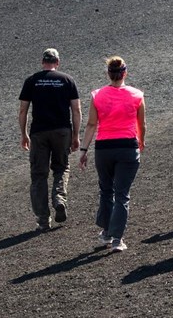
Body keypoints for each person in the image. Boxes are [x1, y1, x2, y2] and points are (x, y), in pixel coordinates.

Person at [78, 56, 145, 252]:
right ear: (125, 73)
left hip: (104, 149)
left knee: (106, 191)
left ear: (109, 74)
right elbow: (141, 124)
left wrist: (83, 150)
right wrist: (141, 142)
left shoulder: (97, 95)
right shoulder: (137, 95)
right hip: (127, 147)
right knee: (122, 194)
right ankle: (117, 238)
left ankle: (107, 233)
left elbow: (91, 124)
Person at [18, 48, 81, 231]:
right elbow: (76, 110)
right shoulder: (67, 80)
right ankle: (59, 198)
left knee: (39, 175)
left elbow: (23, 110)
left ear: (42, 62)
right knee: (61, 167)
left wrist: (23, 134)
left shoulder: (32, 81)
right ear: (58, 62)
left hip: (39, 132)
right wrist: (76, 135)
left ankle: (43, 220)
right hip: (62, 131)